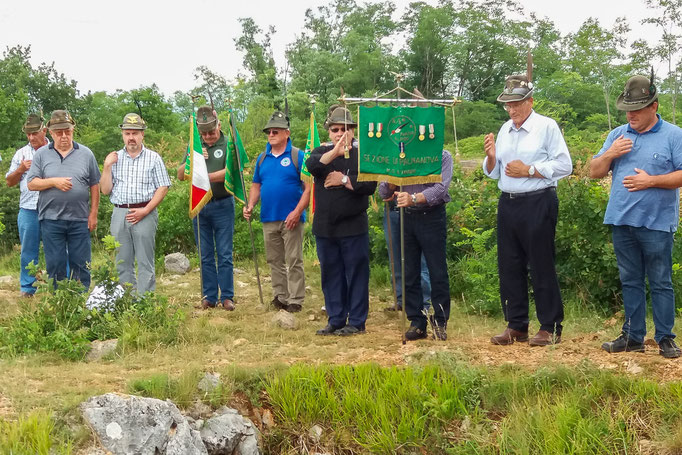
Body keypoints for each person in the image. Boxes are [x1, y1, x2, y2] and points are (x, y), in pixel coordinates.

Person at [591, 74, 682, 359]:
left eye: (637, 109)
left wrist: (651, 181)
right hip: (621, 220)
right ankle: (632, 336)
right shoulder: (617, 135)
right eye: (628, 109)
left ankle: (666, 338)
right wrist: (610, 154)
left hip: (656, 223)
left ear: (653, 107)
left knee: (660, 281)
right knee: (630, 280)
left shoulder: (674, 135)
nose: (631, 114)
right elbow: (593, 171)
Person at [483, 74, 572, 347]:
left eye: (517, 104)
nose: (512, 110)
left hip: (538, 201)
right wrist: (490, 157)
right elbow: (494, 173)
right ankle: (516, 325)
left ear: (530, 101)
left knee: (541, 263)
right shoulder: (504, 129)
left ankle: (549, 326)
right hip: (508, 201)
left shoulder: (547, 127)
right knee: (509, 264)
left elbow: (565, 165)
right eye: (508, 105)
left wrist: (531, 170)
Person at [306, 106, 377, 336]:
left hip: (353, 226)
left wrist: (344, 179)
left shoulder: (363, 153)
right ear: (329, 132)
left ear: (353, 131)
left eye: (344, 129)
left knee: (356, 274)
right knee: (331, 273)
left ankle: (356, 321)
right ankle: (336, 319)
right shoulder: (321, 152)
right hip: (326, 228)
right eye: (335, 129)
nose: (339, 133)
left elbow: (369, 185)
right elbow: (312, 166)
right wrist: (335, 152)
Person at [379, 150, 453, 341]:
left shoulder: (442, 155)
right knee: (409, 271)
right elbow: (383, 192)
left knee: (437, 271)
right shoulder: (397, 155)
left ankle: (439, 321)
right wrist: (392, 182)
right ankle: (417, 322)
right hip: (405, 217)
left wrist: (414, 198)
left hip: (431, 216)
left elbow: (440, 188)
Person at [243, 111, 311, 313]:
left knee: (294, 259)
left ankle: (296, 299)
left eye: (275, 131)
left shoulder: (297, 156)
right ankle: (280, 296)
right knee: (274, 260)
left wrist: (297, 211)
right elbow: (256, 185)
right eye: (268, 132)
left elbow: (308, 188)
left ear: (287, 133)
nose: (271, 134)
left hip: (291, 217)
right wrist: (251, 204)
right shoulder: (262, 158)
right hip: (268, 217)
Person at [27, 110, 100, 289]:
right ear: (51, 133)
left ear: (73, 130)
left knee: (81, 263)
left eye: (67, 131)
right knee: (55, 264)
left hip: (80, 219)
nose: (64, 136)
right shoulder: (42, 154)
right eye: (59, 132)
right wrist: (53, 182)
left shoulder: (86, 154)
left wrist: (93, 214)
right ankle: (59, 303)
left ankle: (80, 301)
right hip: (51, 219)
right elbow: (31, 183)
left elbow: (94, 184)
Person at [100, 113, 170, 294]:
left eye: (135, 133)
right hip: (120, 213)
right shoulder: (114, 159)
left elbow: (163, 187)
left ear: (142, 135)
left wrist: (146, 210)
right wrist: (106, 167)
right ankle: (127, 301)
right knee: (122, 262)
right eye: (127, 133)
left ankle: (145, 303)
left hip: (145, 212)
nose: (131, 137)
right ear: (123, 134)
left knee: (145, 261)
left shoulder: (153, 158)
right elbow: (105, 190)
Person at [177, 106, 235, 310]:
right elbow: (180, 174)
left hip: (223, 203)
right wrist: (194, 162)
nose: (209, 137)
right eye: (204, 133)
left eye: (212, 132)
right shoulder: (195, 145)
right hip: (201, 206)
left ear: (218, 126)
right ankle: (209, 296)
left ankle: (227, 296)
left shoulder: (228, 143)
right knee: (205, 254)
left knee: (225, 253)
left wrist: (204, 176)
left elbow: (232, 172)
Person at [6, 113, 48, 297]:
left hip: (52, 209)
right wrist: (21, 169)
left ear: (44, 131)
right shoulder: (21, 153)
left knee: (57, 249)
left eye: (35, 133)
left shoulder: (55, 150)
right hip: (28, 209)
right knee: (28, 250)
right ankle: (27, 289)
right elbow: (9, 181)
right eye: (28, 134)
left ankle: (61, 286)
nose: (31, 138)